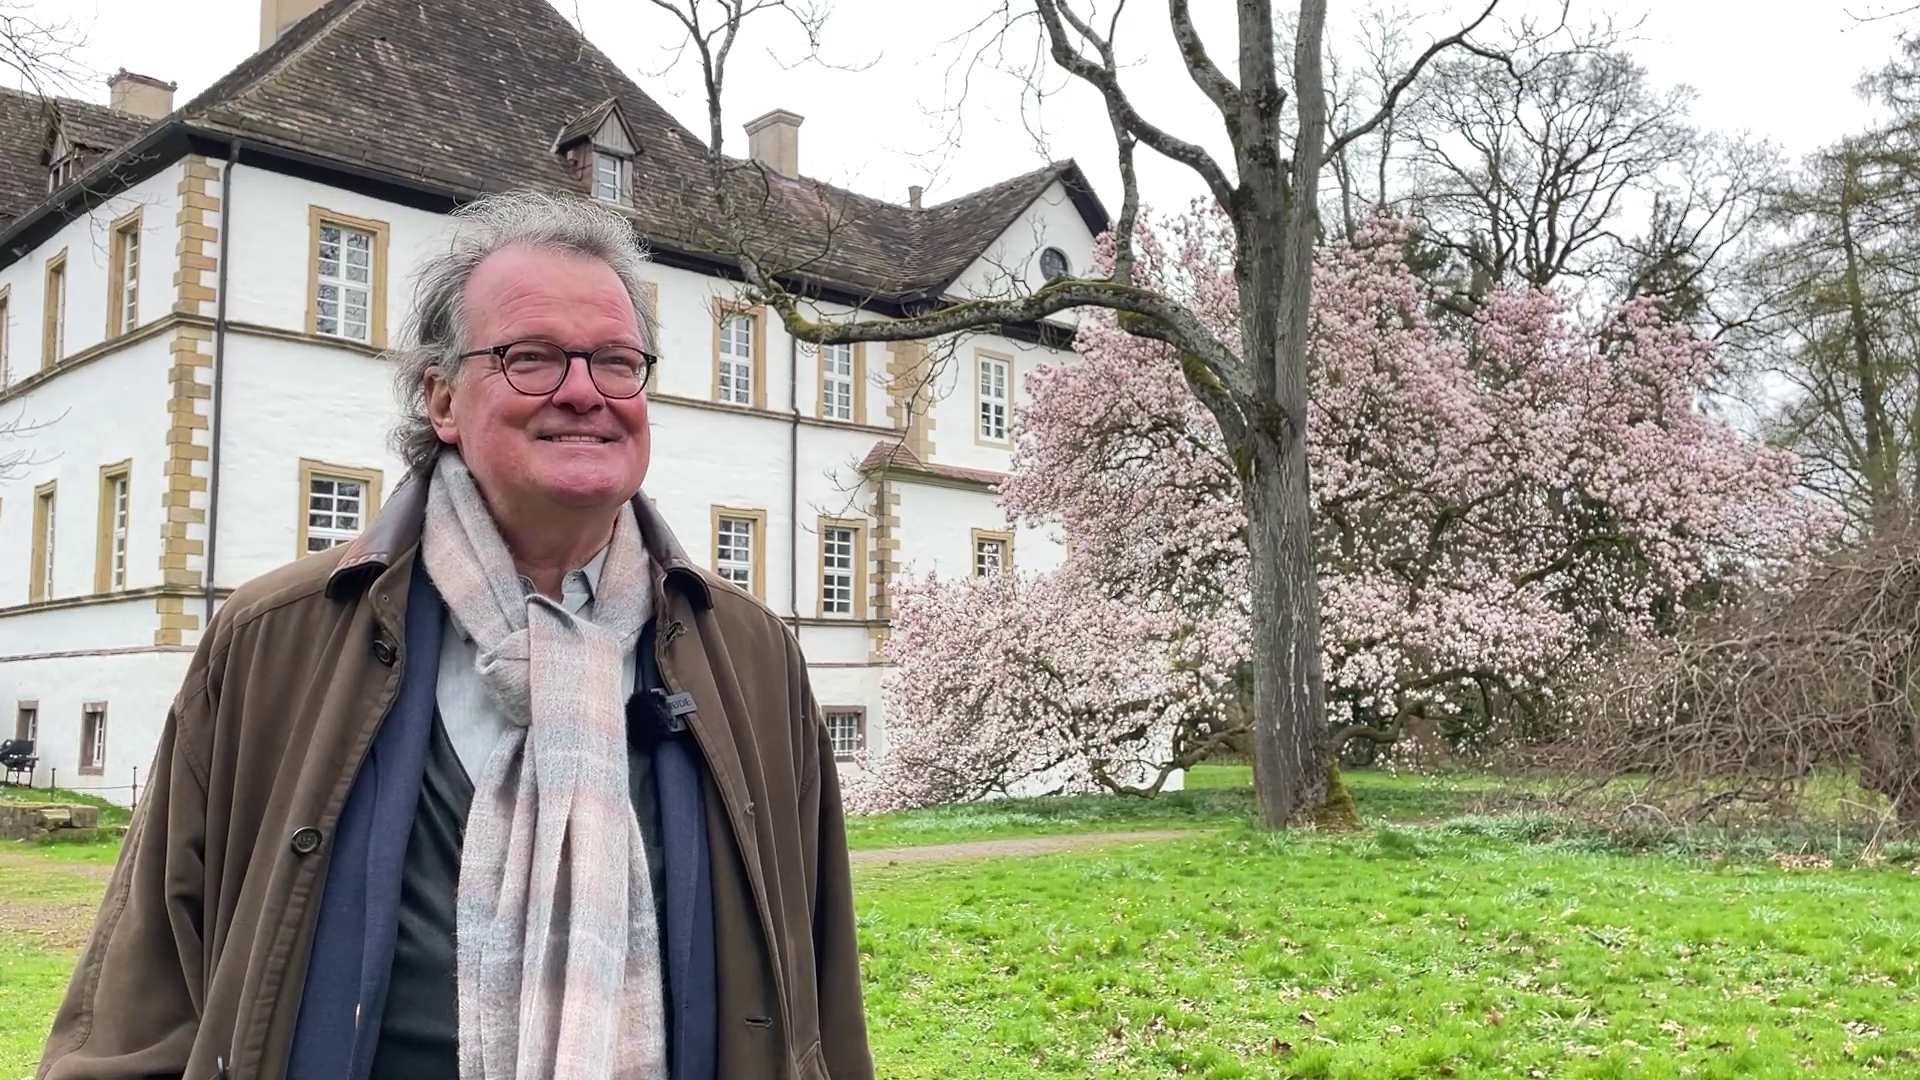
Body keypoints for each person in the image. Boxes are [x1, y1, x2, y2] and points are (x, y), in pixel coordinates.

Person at [39, 190, 872, 1080]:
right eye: (532, 358)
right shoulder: (274, 640)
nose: (585, 391)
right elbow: (146, 991)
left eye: (617, 362)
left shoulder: (748, 655)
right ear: (441, 399)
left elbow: (816, 990)